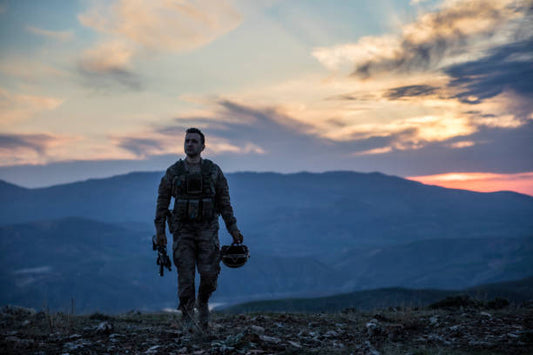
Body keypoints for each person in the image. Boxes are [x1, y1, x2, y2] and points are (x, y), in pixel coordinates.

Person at [154, 127, 243, 330]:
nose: (190, 144)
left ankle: (203, 303)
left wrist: (233, 229)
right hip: (182, 230)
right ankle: (188, 320)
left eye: (194, 141)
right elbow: (162, 203)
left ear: (203, 146)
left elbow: (224, 202)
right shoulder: (173, 172)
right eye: (187, 141)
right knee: (185, 277)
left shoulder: (213, 171)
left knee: (209, 274)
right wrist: (160, 232)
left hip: (208, 229)